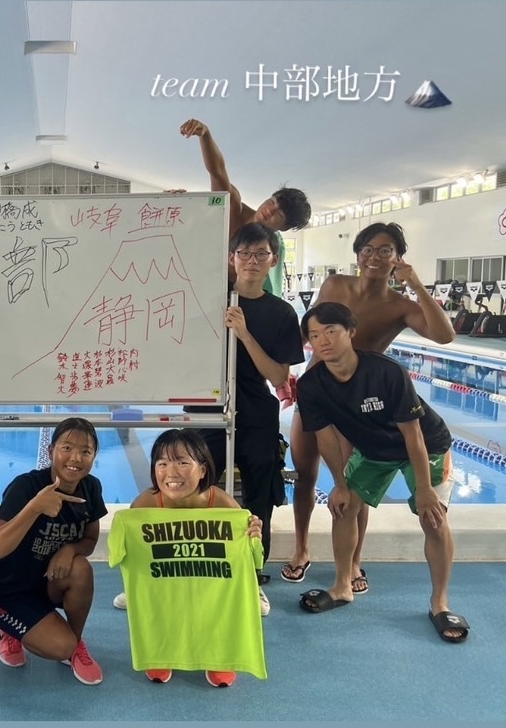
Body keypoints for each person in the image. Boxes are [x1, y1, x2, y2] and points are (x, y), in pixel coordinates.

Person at [282, 223, 456, 593]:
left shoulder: (401, 305)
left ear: (398, 257)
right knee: (305, 475)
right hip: (317, 393)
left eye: (385, 250)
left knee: (353, 487)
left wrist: (417, 286)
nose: (375, 257)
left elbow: (445, 335)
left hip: (357, 406)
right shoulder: (335, 285)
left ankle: (354, 562)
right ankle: (301, 550)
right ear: (358, 254)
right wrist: (282, 373)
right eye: (368, 249)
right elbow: (307, 331)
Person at [295, 302, 469, 644]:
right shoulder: (312, 384)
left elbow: (413, 435)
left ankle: (440, 602)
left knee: (432, 517)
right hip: (374, 450)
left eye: (331, 331)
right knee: (344, 507)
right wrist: (340, 484)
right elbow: (326, 438)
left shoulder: (386, 372)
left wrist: (424, 489)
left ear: (351, 332)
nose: (323, 341)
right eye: (314, 335)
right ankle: (342, 586)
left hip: (427, 446)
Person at [180, 223, 304, 615]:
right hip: (206, 410)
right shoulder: (206, 299)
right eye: (244, 253)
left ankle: (252, 574)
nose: (252, 261)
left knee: (258, 496)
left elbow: (279, 377)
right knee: (187, 486)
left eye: (260, 254)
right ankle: (183, 571)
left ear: (273, 260)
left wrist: (245, 334)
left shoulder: (281, 313)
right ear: (231, 258)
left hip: (256, 412)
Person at [112, 429, 264, 686]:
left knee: (218, 601)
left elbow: (249, 560)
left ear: (202, 469)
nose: (171, 472)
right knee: (159, 599)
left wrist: (252, 535)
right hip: (165, 583)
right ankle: (160, 650)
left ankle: (220, 656)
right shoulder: (144, 506)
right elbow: (129, 554)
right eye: (162, 463)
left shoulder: (224, 506)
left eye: (182, 462)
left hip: (209, 584)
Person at [0, 417, 107, 685]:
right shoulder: (25, 487)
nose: (76, 458)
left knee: (81, 568)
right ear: (51, 452)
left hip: (47, 584)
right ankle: (8, 629)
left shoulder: (91, 487)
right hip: (7, 591)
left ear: (94, 457)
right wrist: (35, 507)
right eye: (67, 448)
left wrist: (70, 549)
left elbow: (90, 538)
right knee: (59, 645)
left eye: (85, 451)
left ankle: (76, 644)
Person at [179, 117, 311, 297]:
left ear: (285, 227)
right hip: (204, 284)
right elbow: (218, 172)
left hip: (245, 295)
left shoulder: (272, 249)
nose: (269, 210)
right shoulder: (233, 209)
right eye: (272, 202)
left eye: (279, 214)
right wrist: (205, 135)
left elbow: (270, 293)